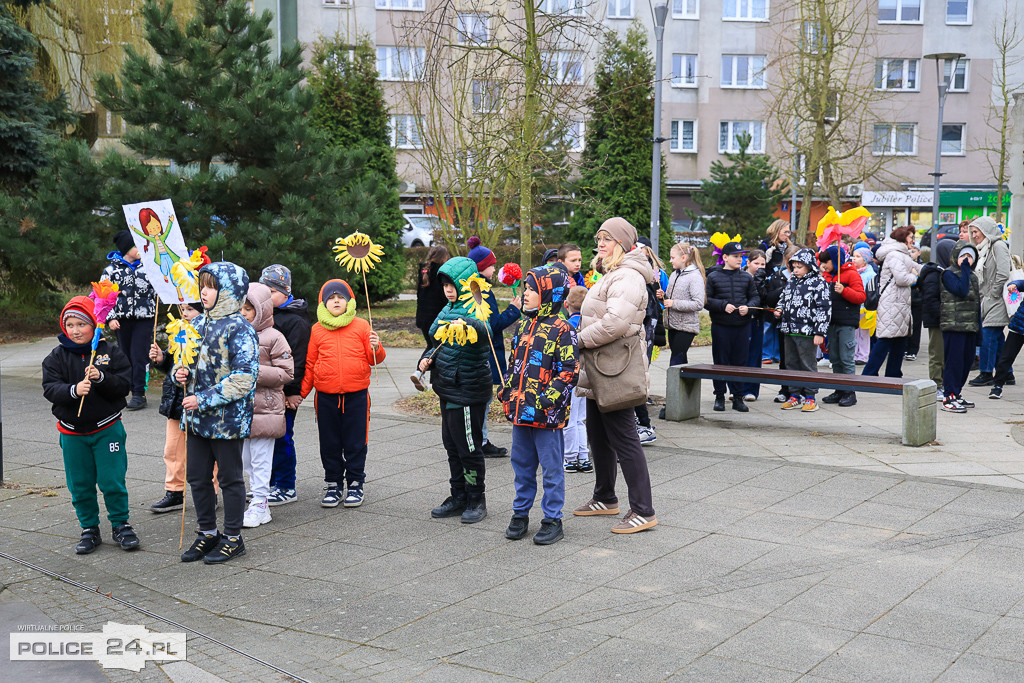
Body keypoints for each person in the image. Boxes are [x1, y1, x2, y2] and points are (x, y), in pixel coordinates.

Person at [572, 217, 658, 534]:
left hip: (614, 369)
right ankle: (605, 497)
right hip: (601, 367)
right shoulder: (614, 274)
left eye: (607, 238)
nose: (600, 244)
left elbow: (615, 323)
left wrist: (575, 340)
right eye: (599, 238)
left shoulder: (628, 276)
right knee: (597, 433)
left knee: (624, 439)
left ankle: (643, 510)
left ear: (621, 243)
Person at [174, 262, 259, 565]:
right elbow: (181, 361)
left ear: (229, 290)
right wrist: (178, 373)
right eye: (202, 286)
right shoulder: (195, 325)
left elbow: (244, 379)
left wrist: (203, 399)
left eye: (211, 286)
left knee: (230, 479)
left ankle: (233, 538)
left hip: (227, 422)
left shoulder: (241, 329)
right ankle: (207, 532)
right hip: (197, 422)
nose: (204, 292)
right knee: (197, 478)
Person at [42, 296, 139, 554]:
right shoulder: (56, 357)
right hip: (72, 433)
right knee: (80, 483)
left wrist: (101, 377)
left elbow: (124, 385)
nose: (75, 330)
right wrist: (73, 390)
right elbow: (50, 388)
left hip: (107, 429)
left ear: (93, 325)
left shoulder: (109, 352)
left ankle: (121, 524)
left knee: (112, 480)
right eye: (70, 325)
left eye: (81, 325)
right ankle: (89, 528)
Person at [500, 265, 579, 545]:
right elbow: (514, 364)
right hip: (521, 411)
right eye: (526, 288)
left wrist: (548, 399)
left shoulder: (563, 330)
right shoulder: (523, 326)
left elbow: (569, 371)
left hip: (546, 415)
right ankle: (520, 513)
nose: (526, 294)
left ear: (549, 294)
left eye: (532, 289)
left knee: (551, 468)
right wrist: (506, 388)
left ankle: (552, 518)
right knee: (521, 465)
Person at [298, 280, 385, 509]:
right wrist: (301, 393)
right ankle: (333, 483)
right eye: (331, 298)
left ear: (349, 302)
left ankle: (356, 482)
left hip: (356, 396)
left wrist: (376, 347)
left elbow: (373, 359)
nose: (336, 300)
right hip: (326, 397)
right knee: (329, 443)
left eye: (340, 297)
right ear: (323, 303)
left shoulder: (361, 326)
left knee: (356, 442)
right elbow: (310, 363)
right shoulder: (317, 329)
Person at [418, 257, 493, 524]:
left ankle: (476, 498)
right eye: (445, 285)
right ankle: (458, 495)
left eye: (453, 284)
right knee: (451, 446)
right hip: (447, 387)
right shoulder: (447, 308)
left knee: (468, 447)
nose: (448, 290)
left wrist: (468, 323)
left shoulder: (477, 305)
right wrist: (426, 359)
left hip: (467, 389)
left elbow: (487, 333)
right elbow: (438, 343)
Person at [148, 300, 221, 513]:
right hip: (176, 403)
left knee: (208, 453)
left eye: (191, 309)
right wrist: (162, 359)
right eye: (183, 310)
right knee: (173, 450)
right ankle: (174, 491)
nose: (186, 313)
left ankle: (212, 492)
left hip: (199, 402)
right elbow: (173, 364)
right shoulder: (177, 330)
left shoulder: (210, 332)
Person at [240, 283, 294, 527]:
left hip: (266, 408)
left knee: (262, 457)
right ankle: (255, 495)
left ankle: (261, 503)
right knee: (245, 458)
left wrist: (254, 373)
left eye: (249, 309)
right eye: (240, 308)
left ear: (261, 310)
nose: (243, 313)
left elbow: (286, 373)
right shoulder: (235, 334)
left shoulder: (275, 337)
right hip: (240, 409)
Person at [259, 264, 311, 507]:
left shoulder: (295, 321)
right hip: (265, 388)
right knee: (265, 437)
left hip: (285, 391)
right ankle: (268, 483)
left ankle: (286, 485)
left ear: (285, 291)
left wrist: (293, 392)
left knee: (282, 437)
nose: (266, 297)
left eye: (272, 292)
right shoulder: (264, 317)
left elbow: (297, 360)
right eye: (263, 291)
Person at [466, 236, 522, 457]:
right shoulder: (480, 289)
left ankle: (480, 438)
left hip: (486, 352)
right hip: (486, 353)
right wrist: (513, 310)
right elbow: (491, 325)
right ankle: (480, 440)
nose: (495, 268)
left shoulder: (477, 286)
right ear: (482, 267)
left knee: (484, 399)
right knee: (483, 400)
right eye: (492, 265)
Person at [102, 230, 157, 410]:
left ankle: (139, 393)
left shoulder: (149, 267)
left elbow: (158, 290)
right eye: (135, 246)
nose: (140, 249)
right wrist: (110, 317)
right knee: (124, 355)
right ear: (126, 248)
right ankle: (123, 389)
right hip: (122, 320)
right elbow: (103, 296)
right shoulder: (111, 270)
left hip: (144, 318)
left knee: (139, 355)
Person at [705, 242, 759, 412]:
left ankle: (738, 397)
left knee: (740, 363)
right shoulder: (713, 277)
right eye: (736, 256)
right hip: (721, 326)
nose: (739, 259)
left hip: (742, 326)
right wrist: (722, 305)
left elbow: (755, 298)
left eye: (741, 256)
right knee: (721, 362)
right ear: (725, 257)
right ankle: (719, 396)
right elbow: (706, 300)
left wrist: (748, 307)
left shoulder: (746, 277)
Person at [774, 248, 831, 412]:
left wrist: (820, 332)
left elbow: (824, 309)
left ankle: (811, 397)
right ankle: (794, 395)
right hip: (789, 329)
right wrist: (779, 310)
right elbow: (783, 299)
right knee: (791, 364)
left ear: (809, 266)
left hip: (807, 332)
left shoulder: (818, 283)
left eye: (800, 266)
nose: (796, 270)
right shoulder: (792, 281)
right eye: (794, 266)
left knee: (807, 364)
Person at [862, 226, 919, 378]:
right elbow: (902, 279)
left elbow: (917, 267)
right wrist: (915, 277)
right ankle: (869, 373)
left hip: (899, 303)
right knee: (885, 339)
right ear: (902, 238)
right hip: (892, 303)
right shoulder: (895, 255)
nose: (913, 240)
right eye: (910, 236)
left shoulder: (902, 254)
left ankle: (893, 373)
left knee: (899, 340)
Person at [968, 216, 1013, 387]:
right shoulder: (985, 248)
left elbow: (1003, 272)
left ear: (986, 230)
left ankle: (986, 373)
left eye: (976, 231)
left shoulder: (998, 246)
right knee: (997, 338)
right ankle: (1007, 373)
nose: (974, 235)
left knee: (988, 335)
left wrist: (993, 293)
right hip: (989, 299)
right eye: (972, 232)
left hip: (998, 299)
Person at [818, 245, 865, 407]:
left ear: (835, 261)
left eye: (827, 261)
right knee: (835, 358)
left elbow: (860, 297)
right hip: (831, 322)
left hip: (846, 323)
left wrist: (844, 290)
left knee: (846, 358)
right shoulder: (826, 276)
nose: (824, 265)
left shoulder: (851, 274)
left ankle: (849, 392)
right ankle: (839, 389)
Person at [939, 242, 981, 413]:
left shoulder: (973, 276)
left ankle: (956, 393)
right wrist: (964, 269)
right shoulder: (948, 274)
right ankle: (948, 396)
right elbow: (961, 290)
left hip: (969, 326)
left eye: (970, 257)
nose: (966, 260)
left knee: (966, 362)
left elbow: (976, 304)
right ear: (956, 256)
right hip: (953, 325)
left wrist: (979, 331)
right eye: (963, 256)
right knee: (954, 362)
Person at [919, 239, 955, 398]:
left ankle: (944, 384)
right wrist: (942, 315)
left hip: (946, 319)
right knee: (937, 354)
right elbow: (930, 299)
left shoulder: (947, 272)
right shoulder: (934, 274)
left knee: (946, 355)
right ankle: (936, 384)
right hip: (937, 320)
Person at [562, 285, 592, 473]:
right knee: (581, 418)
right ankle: (584, 456)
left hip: (571, 376)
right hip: (587, 375)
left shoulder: (567, 326)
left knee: (569, 418)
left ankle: (570, 457)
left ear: (566, 304)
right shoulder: (590, 324)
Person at [412, 246, 451, 391]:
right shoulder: (441, 272)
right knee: (436, 347)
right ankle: (421, 372)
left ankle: (423, 375)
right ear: (443, 258)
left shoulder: (424, 270)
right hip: (436, 318)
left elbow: (418, 294)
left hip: (423, 317)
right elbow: (442, 297)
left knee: (433, 346)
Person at [661, 242, 706, 367]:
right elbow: (669, 298)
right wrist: (662, 296)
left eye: (672, 257)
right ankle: (686, 386)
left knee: (676, 361)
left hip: (686, 327)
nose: (670, 261)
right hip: (673, 325)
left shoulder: (694, 276)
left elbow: (698, 303)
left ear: (684, 258)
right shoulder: (675, 274)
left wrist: (674, 303)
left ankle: (673, 386)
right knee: (680, 363)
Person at [760, 219, 792, 365]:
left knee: (779, 321)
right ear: (777, 230)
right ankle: (766, 353)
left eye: (789, 232)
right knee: (768, 321)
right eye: (785, 231)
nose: (787, 235)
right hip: (770, 285)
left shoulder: (789, 246)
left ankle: (779, 354)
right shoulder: (766, 245)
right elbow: (761, 264)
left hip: (783, 284)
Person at [989, 275, 1024, 399]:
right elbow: (1021, 283)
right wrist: (1014, 284)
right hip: (1020, 325)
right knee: (1007, 356)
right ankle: (997, 386)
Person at [740, 249, 768, 401]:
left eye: (762, 264)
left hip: (756, 319)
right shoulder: (741, 276)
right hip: (741, 320)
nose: (759, 267)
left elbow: (765, 299)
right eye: (756, 263)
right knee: (740, 355)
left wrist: (761, 282)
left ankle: (751, 389)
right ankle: (737, 387)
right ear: (748, 262)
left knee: (755, 355)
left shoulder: (765, 278)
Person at [852, 247, 876, 364]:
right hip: (855, 307)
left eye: (858, 257)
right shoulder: (852, 272)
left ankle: (862, 355)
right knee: (855, 332)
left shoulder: (870, 274)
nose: (854, 259)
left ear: (865, 260)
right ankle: (854, 354)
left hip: (865, 308)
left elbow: (872, 292)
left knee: (864, 333)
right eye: (854, 256)